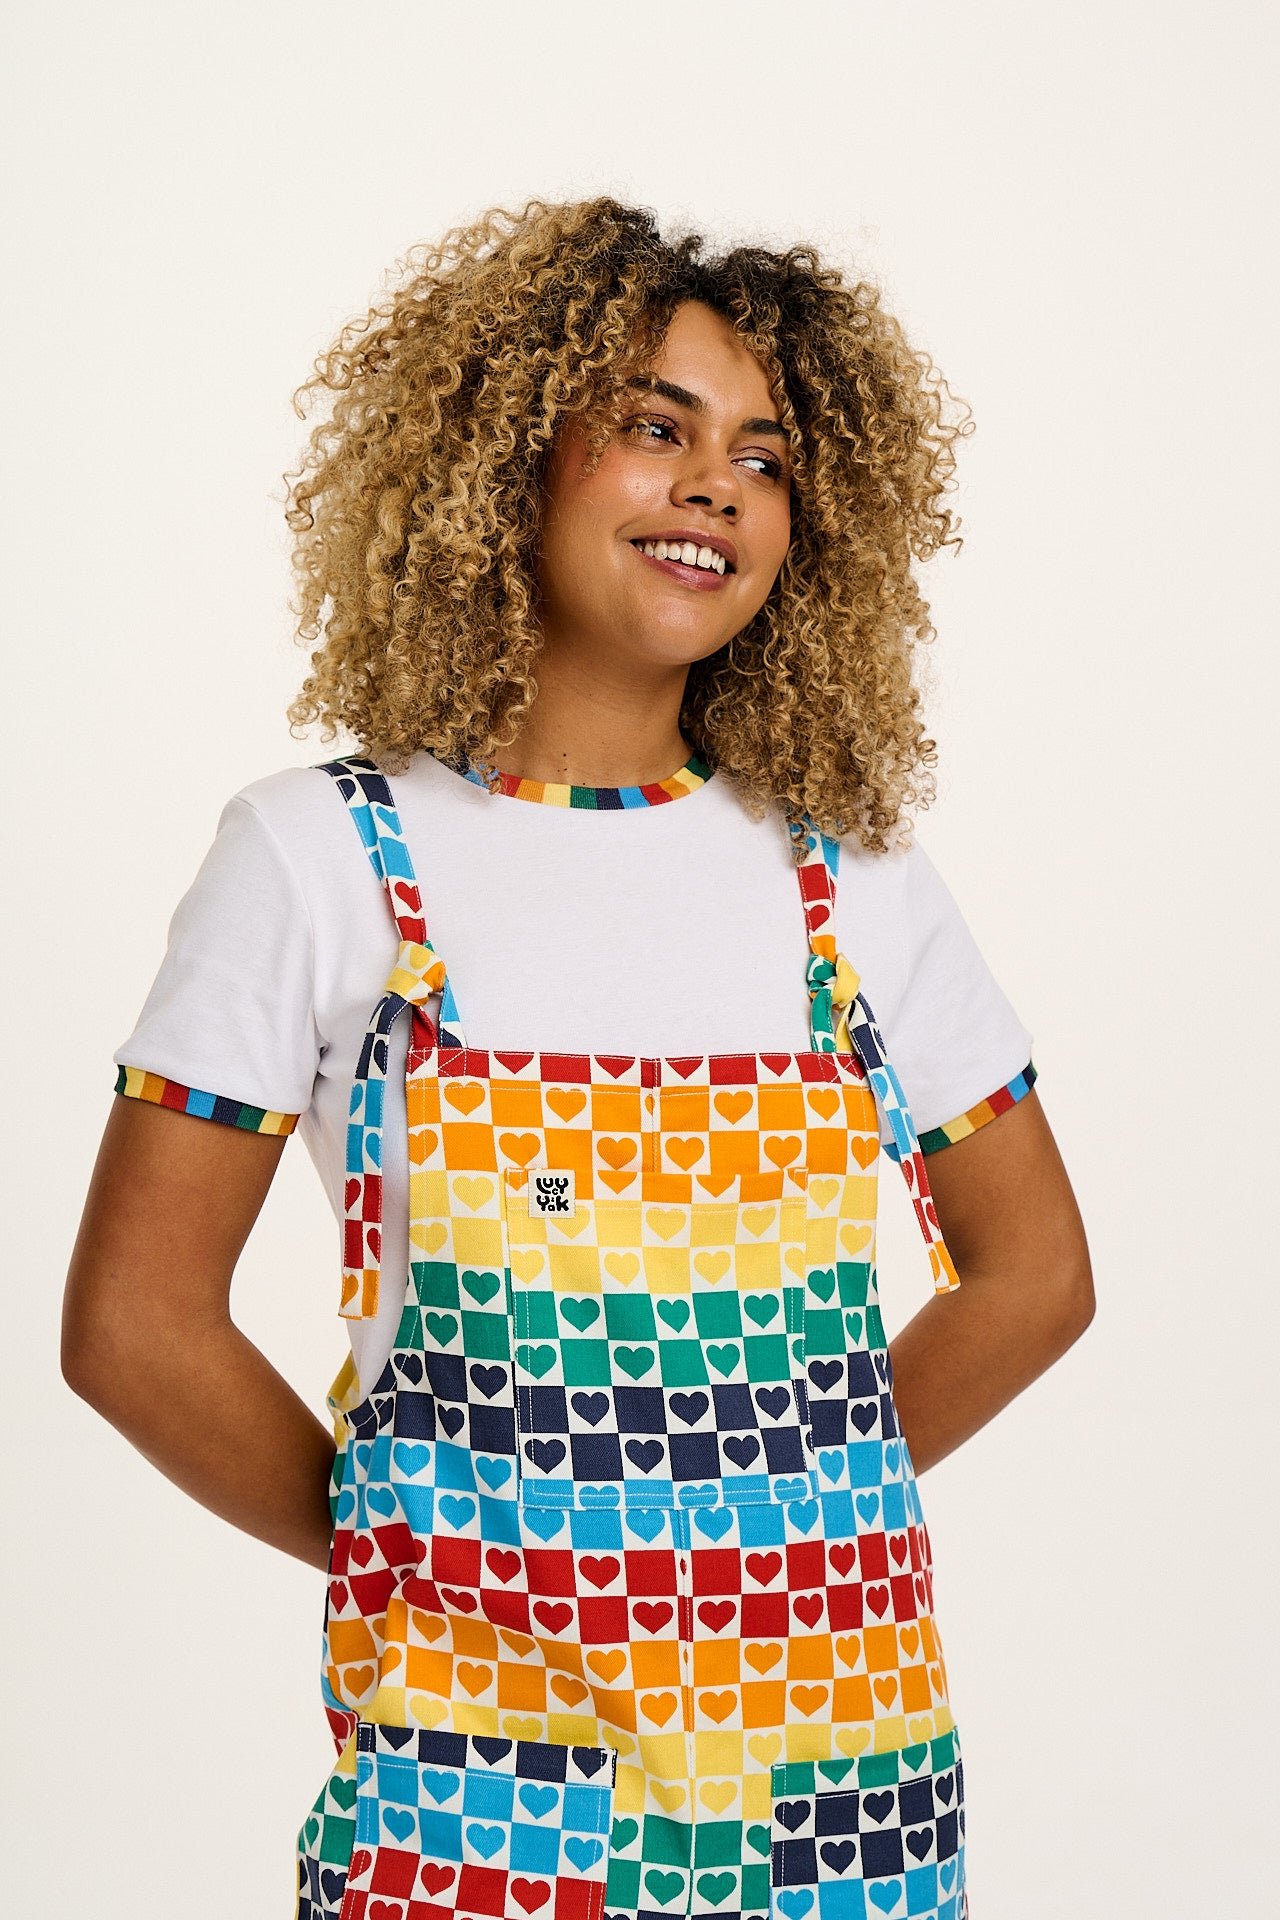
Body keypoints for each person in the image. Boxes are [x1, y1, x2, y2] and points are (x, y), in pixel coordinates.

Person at [62, 195, 1093, 1920]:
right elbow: (133, 1325)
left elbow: (1038, 1273)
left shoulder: (850, 878)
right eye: (654, 427)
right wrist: (426, 1556)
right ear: (504, 455)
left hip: (836, 1790)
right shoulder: (326, 856)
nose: (716, 487)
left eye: (764, 457)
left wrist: (759, 1534)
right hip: (471, 1785)